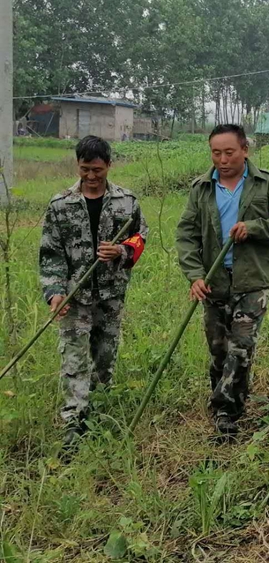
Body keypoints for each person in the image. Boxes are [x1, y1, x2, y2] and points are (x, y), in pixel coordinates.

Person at [176, 124, 269, 436]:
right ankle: (227, 396)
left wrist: (253, 228)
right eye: (216, 153)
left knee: (241, 347)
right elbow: (187, 235)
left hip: (253, 280)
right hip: (214, 281)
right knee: (219, 349)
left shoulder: (266, 183)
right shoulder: (201, 188)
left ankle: (225, 411)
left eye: (229, 152)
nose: (222, 159)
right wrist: (195, 275)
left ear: (245, 150)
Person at [39, 135, 148, 447]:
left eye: (97, 170)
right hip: (74, 296)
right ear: (78, 165)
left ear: (109, 165)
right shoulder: (60, 205)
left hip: (111, 295)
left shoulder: (127, 202)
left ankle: (99, 411)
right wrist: (55, 292)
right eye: (85, 169)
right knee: (74, 359)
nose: (91, 176)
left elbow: (140, 236)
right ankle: (74, 420)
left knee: (104, 356)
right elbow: (51, 254)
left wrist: (121, 250)